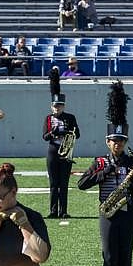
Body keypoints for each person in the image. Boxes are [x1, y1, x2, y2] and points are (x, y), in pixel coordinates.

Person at [77, 80, 133, 266]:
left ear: (126, 142)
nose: (117, 144)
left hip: (128, 213)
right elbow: (81, 184)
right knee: (109, 257)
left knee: (126, 258)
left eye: (121, 140)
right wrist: (105, 172)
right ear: (107, 142)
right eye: (113, 140)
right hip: (107, 214)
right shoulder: (100, 162)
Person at [42, 69, 80, 218]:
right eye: (55, 106)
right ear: (52, 106)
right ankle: (53, 211)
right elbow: (44, 136)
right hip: (52, 151)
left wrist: (67, 132)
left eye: (59, 106)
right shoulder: (48, 119)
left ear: (63, 106)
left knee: (63, 184)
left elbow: (77, 134)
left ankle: (63, 211)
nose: (57, 108)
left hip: (66, 152)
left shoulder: (70, 118)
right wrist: (54, 132)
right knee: (53, 184)